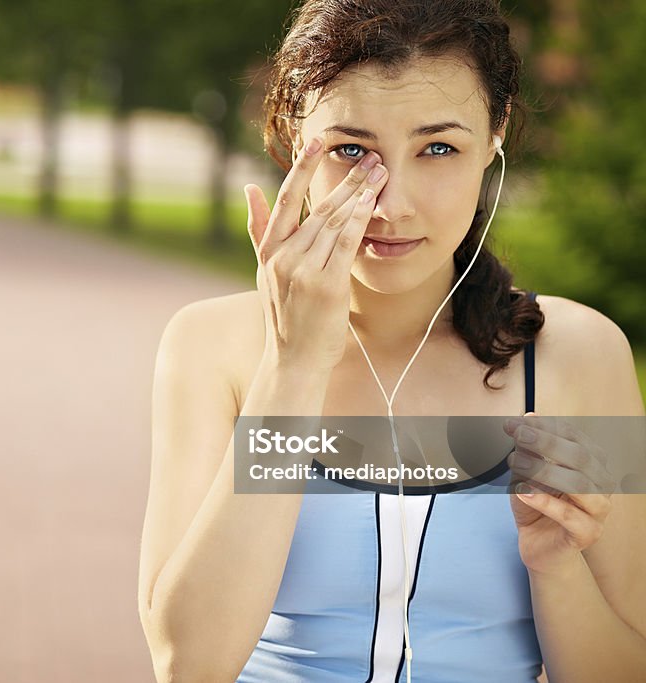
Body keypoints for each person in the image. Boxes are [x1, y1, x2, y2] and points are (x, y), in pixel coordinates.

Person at [136, 1, 646, 682]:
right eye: (352, 150)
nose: (392, 202)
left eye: (438, 147)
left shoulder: (578, 356)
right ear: (293, 138)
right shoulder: (212, 347)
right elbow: (187, 664)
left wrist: (556, 565)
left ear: (494, 137)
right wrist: (293, 367)